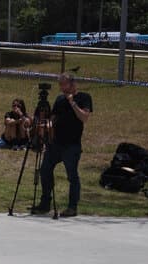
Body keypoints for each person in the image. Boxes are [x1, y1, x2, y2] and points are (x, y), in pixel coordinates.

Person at [33, 73, 92, 218]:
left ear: (72, 84)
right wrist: (45, 125)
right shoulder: (59, 99)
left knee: (72, 176)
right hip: (55, 143)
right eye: (60, 85)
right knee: (45, 170)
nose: (61, 88)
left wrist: (72, 103)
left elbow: (84, 117)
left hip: (71, 145)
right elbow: (53, 118)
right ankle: (45, 202)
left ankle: (72, 207)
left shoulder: (84, 97)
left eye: (63, 84)